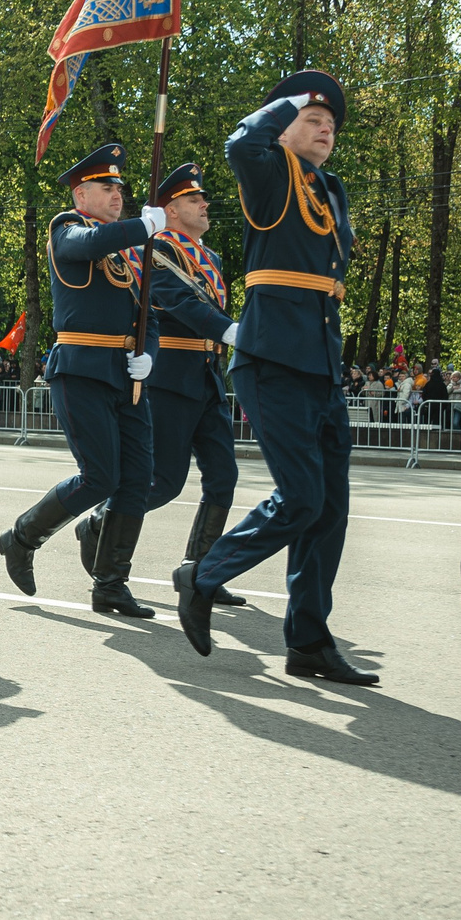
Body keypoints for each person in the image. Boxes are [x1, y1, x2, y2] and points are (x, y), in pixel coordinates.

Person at [172, 71, 378, 685]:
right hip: (271, 358)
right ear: (283, 126)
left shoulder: (329, 188)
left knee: (330, 510)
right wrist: (284, 105)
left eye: (331, 124)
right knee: (303, 496)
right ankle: (204, 573)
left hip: (320, 362)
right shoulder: (270, 174)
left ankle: (309, 640)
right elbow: (240, 147)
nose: (324, 131)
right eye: (312, 120)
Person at [0, 141, 167, 617]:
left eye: (120, 187)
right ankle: (23, 536)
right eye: (106, 186)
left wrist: (148, 356)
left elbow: (146, 318)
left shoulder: (132, 253)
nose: (117, 193)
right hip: (82, 369)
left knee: (137, 480)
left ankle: (111, 583)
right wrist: (143, 227)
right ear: (80, 195)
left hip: (126, 377)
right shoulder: (65, 228)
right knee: (100, 477)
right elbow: (89, 246)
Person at [78, 160, 248, 606]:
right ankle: (99, 521)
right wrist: (231, 331)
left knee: (224, 477)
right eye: (194, 199)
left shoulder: (208, 256)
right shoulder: (157, 250)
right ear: (171, 210)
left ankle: (202, 570)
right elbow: (178, 302)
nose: (204, 204)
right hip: (173, 379)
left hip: (208, 378)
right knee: (165, 481)